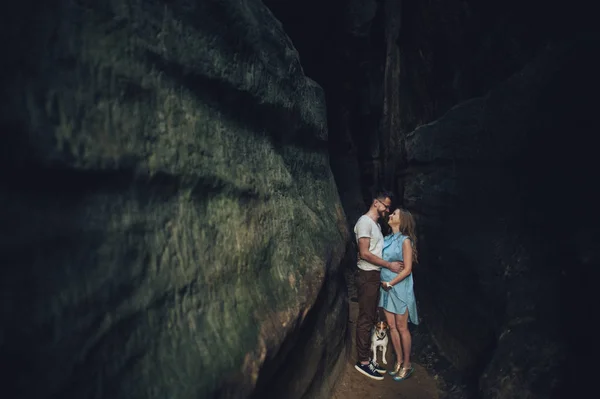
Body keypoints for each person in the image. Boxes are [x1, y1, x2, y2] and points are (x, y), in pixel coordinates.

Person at [353, 191, 404, 380]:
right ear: (376, 203)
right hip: (367, 275)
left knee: (372, 315)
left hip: (373, 275)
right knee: (366, 318)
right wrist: (389, 265)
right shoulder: (364, 222)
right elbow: (365, 253)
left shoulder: (374, 225)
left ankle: (367, 357)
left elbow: (370, 251)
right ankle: (363, 362)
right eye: (386, 206)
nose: (387, 210)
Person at [379, 208, 420, 381]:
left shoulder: (405, 241)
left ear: (402, 220)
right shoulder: (386, 239)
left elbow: (408, 269)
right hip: (385, 287)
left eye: (394, 214)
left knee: (402, 327)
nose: (390, 215)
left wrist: (391, 283)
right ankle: (399, 361)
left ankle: (407, 365)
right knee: (392, 326)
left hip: (399, 287)